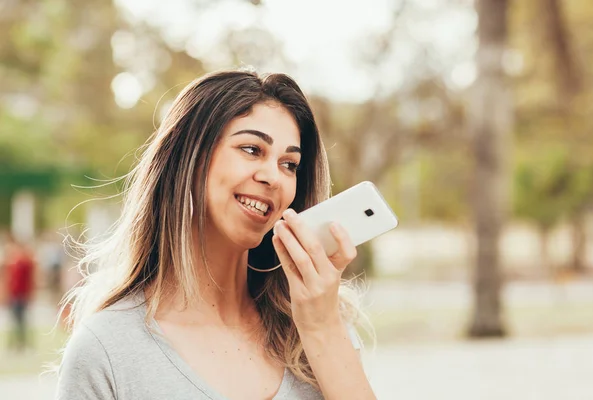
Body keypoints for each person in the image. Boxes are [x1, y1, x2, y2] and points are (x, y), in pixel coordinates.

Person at [56, 69, 375, 400]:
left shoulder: (319, 325)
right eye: (252, 149)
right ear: (189, 159)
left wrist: (322, 328)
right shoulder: (106, 351)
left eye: (289, 164)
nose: (273, 177)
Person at [2, 235, 36, 351]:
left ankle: (22, 343)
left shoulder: (25, 262)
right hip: (15, 294)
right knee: (15, 320)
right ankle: (16, 343)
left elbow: (30, 279)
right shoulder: (14, 261)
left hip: (21, 294)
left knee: (21, 320)